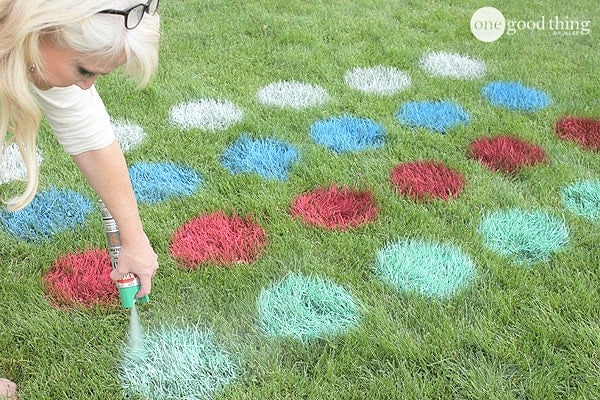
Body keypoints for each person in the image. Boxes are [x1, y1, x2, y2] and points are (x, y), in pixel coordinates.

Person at [0, 1, 161, 397]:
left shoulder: (35, 45)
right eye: (84, 70)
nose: (86, 85)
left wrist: (135, 240)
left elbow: (90, 138)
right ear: (42, 28)